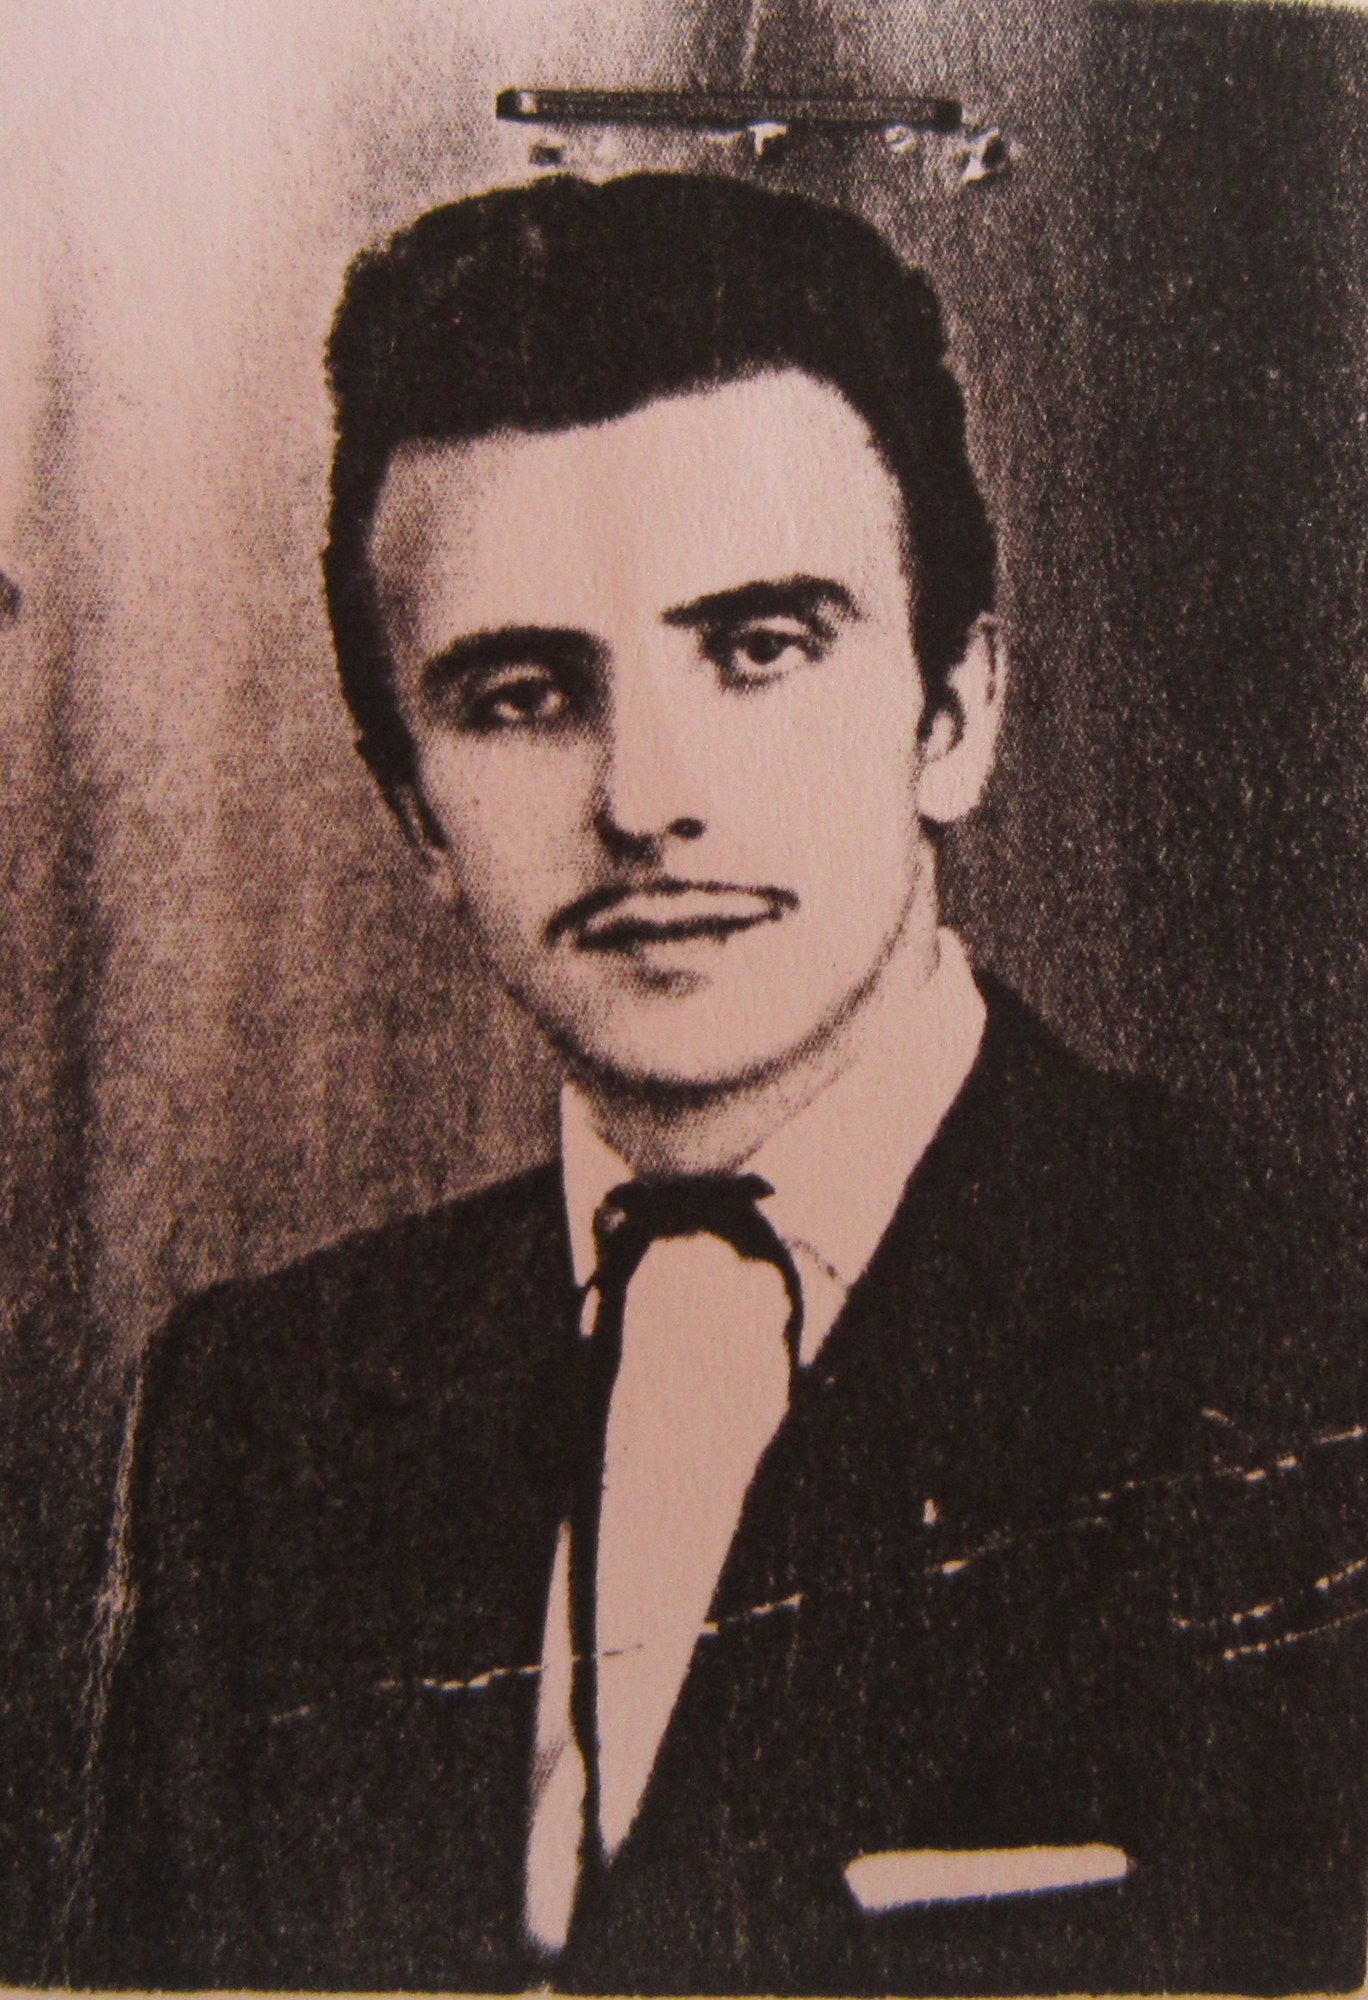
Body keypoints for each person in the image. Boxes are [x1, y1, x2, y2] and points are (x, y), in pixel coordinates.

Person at [76, 172, 1368, 1994]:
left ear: (955, 713)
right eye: (523, 693)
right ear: (417, 816)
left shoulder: (1301, 1342)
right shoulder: (255, 1416)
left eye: (759, 649)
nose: (646, 799)